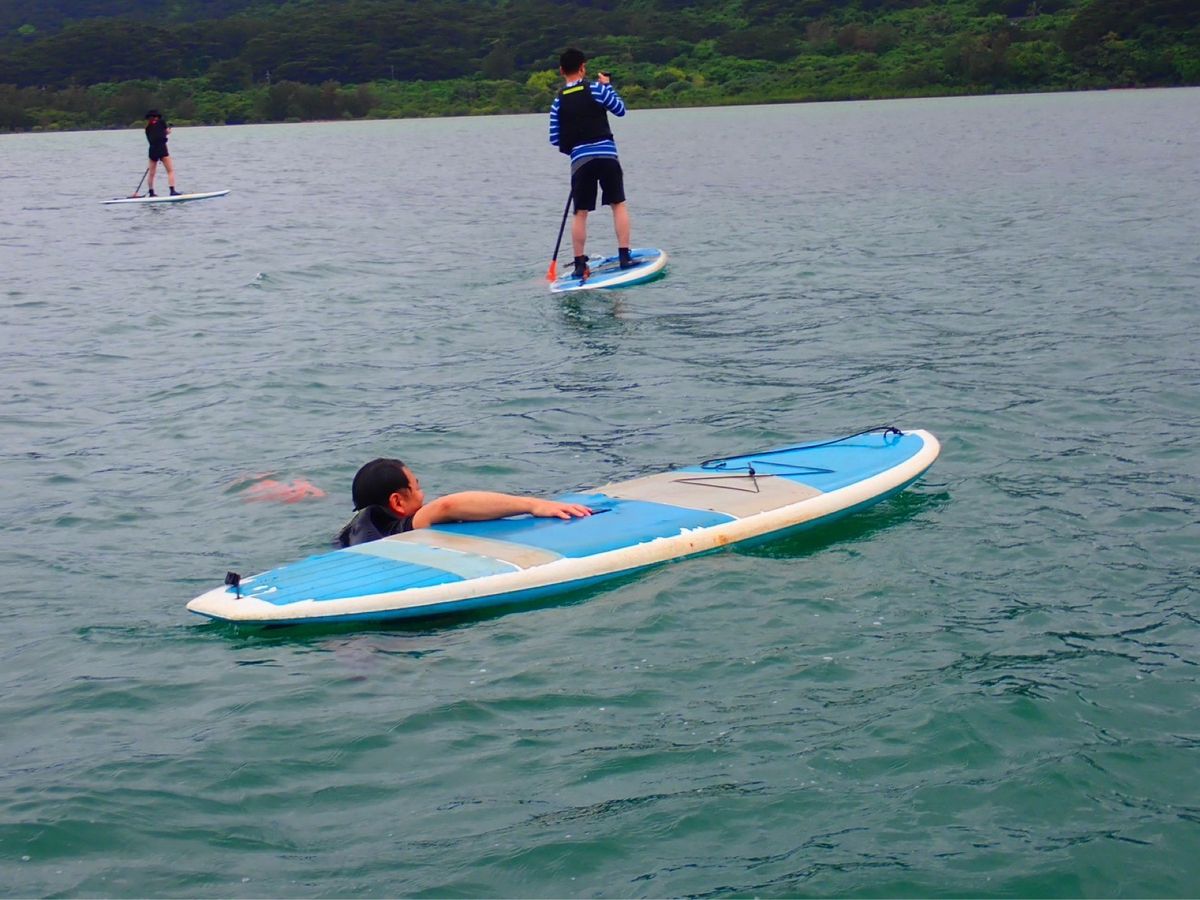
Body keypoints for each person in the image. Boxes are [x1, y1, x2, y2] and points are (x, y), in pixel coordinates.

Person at [334, 458, 593, 549]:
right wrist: (533, 505)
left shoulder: (350, 531)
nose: (423, 495)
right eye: (417, 487)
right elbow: (446, 507)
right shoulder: (393, 527)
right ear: (398, 502)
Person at [548, 47, 634, 281]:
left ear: (561, 71)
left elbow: (555, 138)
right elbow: (620, 110)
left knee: (580, 213)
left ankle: (578, 265)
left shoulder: (558, 103)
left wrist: (577, 150)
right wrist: (607, 85)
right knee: (618, 204)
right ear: (583, 68)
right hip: (607, 155)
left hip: (580, 161)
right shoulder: (597, 89)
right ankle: (625, 256)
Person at [143, 110, 180, 197]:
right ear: (157, 117)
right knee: (170, 171)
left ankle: (151, 192)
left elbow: (155, 136)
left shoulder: (147, 128)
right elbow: (165, 132)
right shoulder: (161, 122)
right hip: (162, 149)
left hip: (152, 150)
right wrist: (168, 131)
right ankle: (172, 191)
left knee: (151, 173)